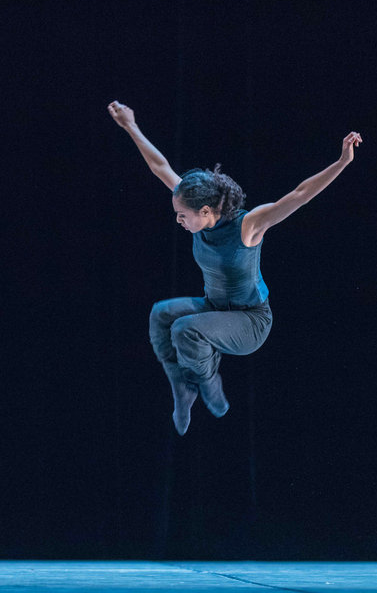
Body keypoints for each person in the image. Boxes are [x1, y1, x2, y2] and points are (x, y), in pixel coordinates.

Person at [108, 100, 362, 434]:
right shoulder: (195, 206)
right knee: (162, 315)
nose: (179, 220)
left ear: (207, 211)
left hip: (250, 321)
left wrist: (342, 161)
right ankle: (183, 389)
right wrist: (130, 125)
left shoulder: (248, 226)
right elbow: (160, 166)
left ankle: (210, 384)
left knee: (186, 330)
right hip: (215, 308)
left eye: (183, 215)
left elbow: (299, 195)